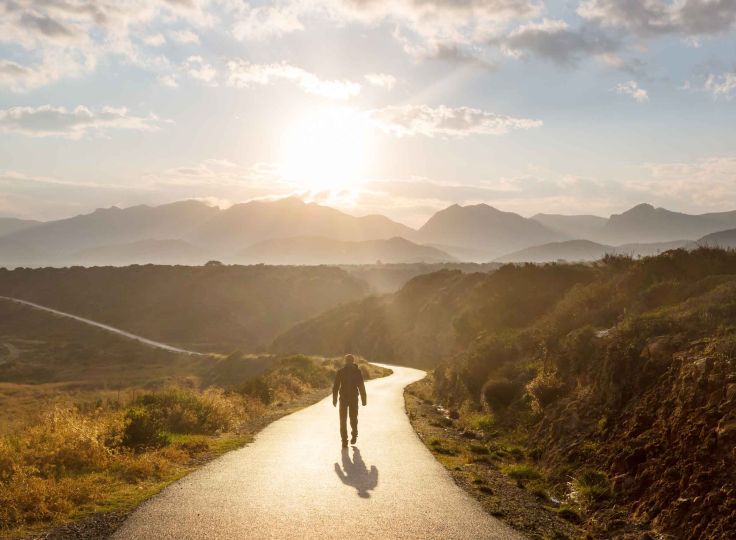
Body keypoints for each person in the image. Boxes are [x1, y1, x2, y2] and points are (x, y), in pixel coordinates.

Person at [332, 354, 367, 448]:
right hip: (353, 399)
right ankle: (354, 435)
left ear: (346, 361)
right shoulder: (357, 371)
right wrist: (364, 399)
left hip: (343, 399)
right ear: (353, 361)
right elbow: (361, 386)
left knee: (343, 420)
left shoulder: (341, 371)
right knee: (353, 418)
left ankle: (344, 440)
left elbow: (335, 386)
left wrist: (334, 399)